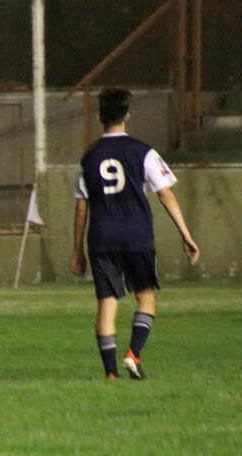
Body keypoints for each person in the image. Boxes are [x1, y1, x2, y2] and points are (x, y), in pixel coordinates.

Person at [70, 88, 200, 380]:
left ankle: (111, 374)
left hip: (101, 237)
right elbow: (165, 195)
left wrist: (76, 250)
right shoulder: (143, 152)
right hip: (136, 235)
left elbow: (81, 208)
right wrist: (186, 235)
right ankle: (133, 354)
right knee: (145, 297)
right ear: (127, 115)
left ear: (99, 116)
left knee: (107, 302)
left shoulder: (88, 157)